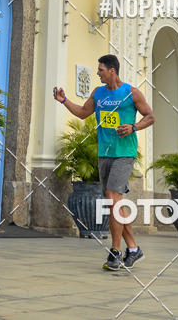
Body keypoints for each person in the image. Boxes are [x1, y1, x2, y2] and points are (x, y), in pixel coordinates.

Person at [54, 54, 154, 271]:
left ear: (112, 71)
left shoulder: (130, 92)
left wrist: (133, 127)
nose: (98, 73)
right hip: (104, 154)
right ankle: (134, 249)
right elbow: (82, 113)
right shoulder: (98, 93)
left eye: (100, 69)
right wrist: (63, 100)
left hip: (124, 153)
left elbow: (150, 116)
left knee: (111, 197)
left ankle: (115, 251)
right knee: (113, 203)